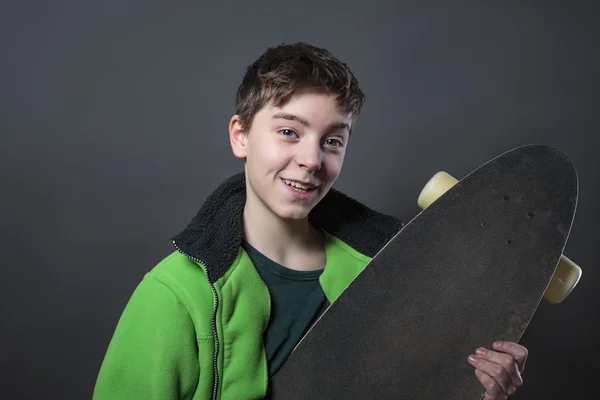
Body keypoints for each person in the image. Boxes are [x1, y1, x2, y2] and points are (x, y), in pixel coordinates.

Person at [93, 42, 528, 400]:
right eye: (288, 132)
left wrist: (478, 394)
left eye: (332, 140)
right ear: (240, 135)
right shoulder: (175, 296)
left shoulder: (386, 275)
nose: (311, 160)